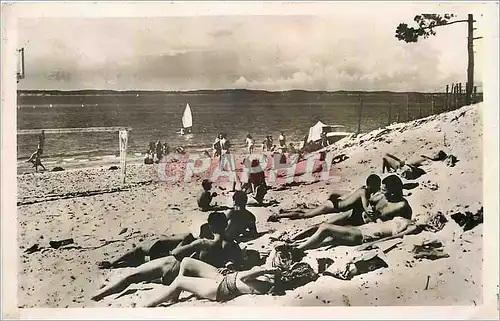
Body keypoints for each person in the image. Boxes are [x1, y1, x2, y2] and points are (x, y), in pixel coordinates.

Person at [91, 212, 243, 302]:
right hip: (188, 278)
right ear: (226, 225)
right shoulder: (233, 246)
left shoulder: (204, 242)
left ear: (210, 226)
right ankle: (106, 287)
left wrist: (185, 244)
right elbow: (239, 265)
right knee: (143, 278)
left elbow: (176, 254)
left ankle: (100, 295)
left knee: (132, 276)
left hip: (173, 266)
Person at [144, 257, 278, 307]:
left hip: (220, 289)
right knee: (186, 261)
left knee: (179, 281)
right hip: (225, 278)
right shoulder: (265, 278)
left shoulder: (266, 284)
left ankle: (149, 305)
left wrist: (262, 270)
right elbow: (240, 277)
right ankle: (174, 296)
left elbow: (243, 279)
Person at [268, 174, 382, 224]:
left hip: (335, 203)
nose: (379, 188)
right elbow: (368, 210)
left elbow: (343, 194)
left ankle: (284, 212)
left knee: (306, 212)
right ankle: (278, 216)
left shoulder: (362, 188)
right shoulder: (364, 192)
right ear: (373, 185)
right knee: (305, 215)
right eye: (378, 186)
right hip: (333, 206)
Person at [294, 216, 422, 251]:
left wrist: (372, 243)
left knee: (325, 228)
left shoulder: (413, 227)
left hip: (363, 235)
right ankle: (298, 245)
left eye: (428, 217)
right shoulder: (401, 218)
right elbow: (383, 224)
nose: (425, 216)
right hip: (363, 228)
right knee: (327, 237)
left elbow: (395, 237)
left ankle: (297, 250)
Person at [97, 233, 196, 269]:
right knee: (138, 259)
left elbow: (171, 247)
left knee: (137, 253)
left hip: (161, 250)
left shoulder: (188, 237)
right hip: (162, 252)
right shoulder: (189, 239)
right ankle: (113, 263)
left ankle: (112, 263)